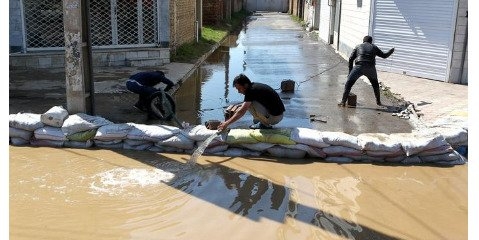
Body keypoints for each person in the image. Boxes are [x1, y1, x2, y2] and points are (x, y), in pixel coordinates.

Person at [338, 35, 395, 107]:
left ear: (363, 41)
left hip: (359, 67)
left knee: (348, 84)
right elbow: (384, 55)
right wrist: (391, 51)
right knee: (375, 85)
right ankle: (378, 102)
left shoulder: (358, 46)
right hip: (370, 68)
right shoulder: (374, 47)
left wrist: (350, 71)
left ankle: (343, 102)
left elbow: (350, 58)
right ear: (371, 41)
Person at [217, 74, 285, 130]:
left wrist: (226, 123)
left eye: (239, 88)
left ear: (245, 85)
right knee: (247, 103)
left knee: (249, 104)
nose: (239, 91)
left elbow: (241, 112)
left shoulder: (250, 91)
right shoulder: (254, 87)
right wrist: (240, 105)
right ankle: (261, 122)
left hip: (274, 118)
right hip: (278, 116)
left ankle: (264, 125)